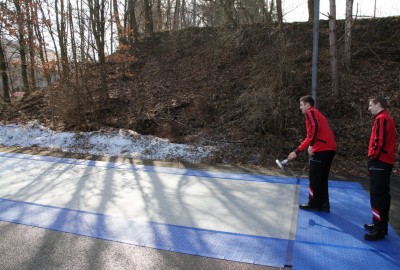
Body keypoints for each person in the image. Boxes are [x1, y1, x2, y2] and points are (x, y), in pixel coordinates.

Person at [287, 95, 336, 212]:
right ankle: (323, 205)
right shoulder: (316, 113)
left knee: (314, 178)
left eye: (301, 105)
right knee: (322, 179)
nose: (300, 108)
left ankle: (313, 203)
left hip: (321, 149)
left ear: (307, 105)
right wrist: (296, 152)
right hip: (330, 149)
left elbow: (315, 128)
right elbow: (309, 137)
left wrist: (312, 145)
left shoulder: (310, 112)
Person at [364, 96, 396, 241]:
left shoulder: (381, 119)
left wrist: (372, 157)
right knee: (382, 196)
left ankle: (379, 229)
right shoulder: (386, 118)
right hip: (384, 161)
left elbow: (379, 140)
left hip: (380, 162)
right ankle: (380, 224)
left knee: (377, 196)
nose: (369, 108)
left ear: (378, 105)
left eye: (371, 105)